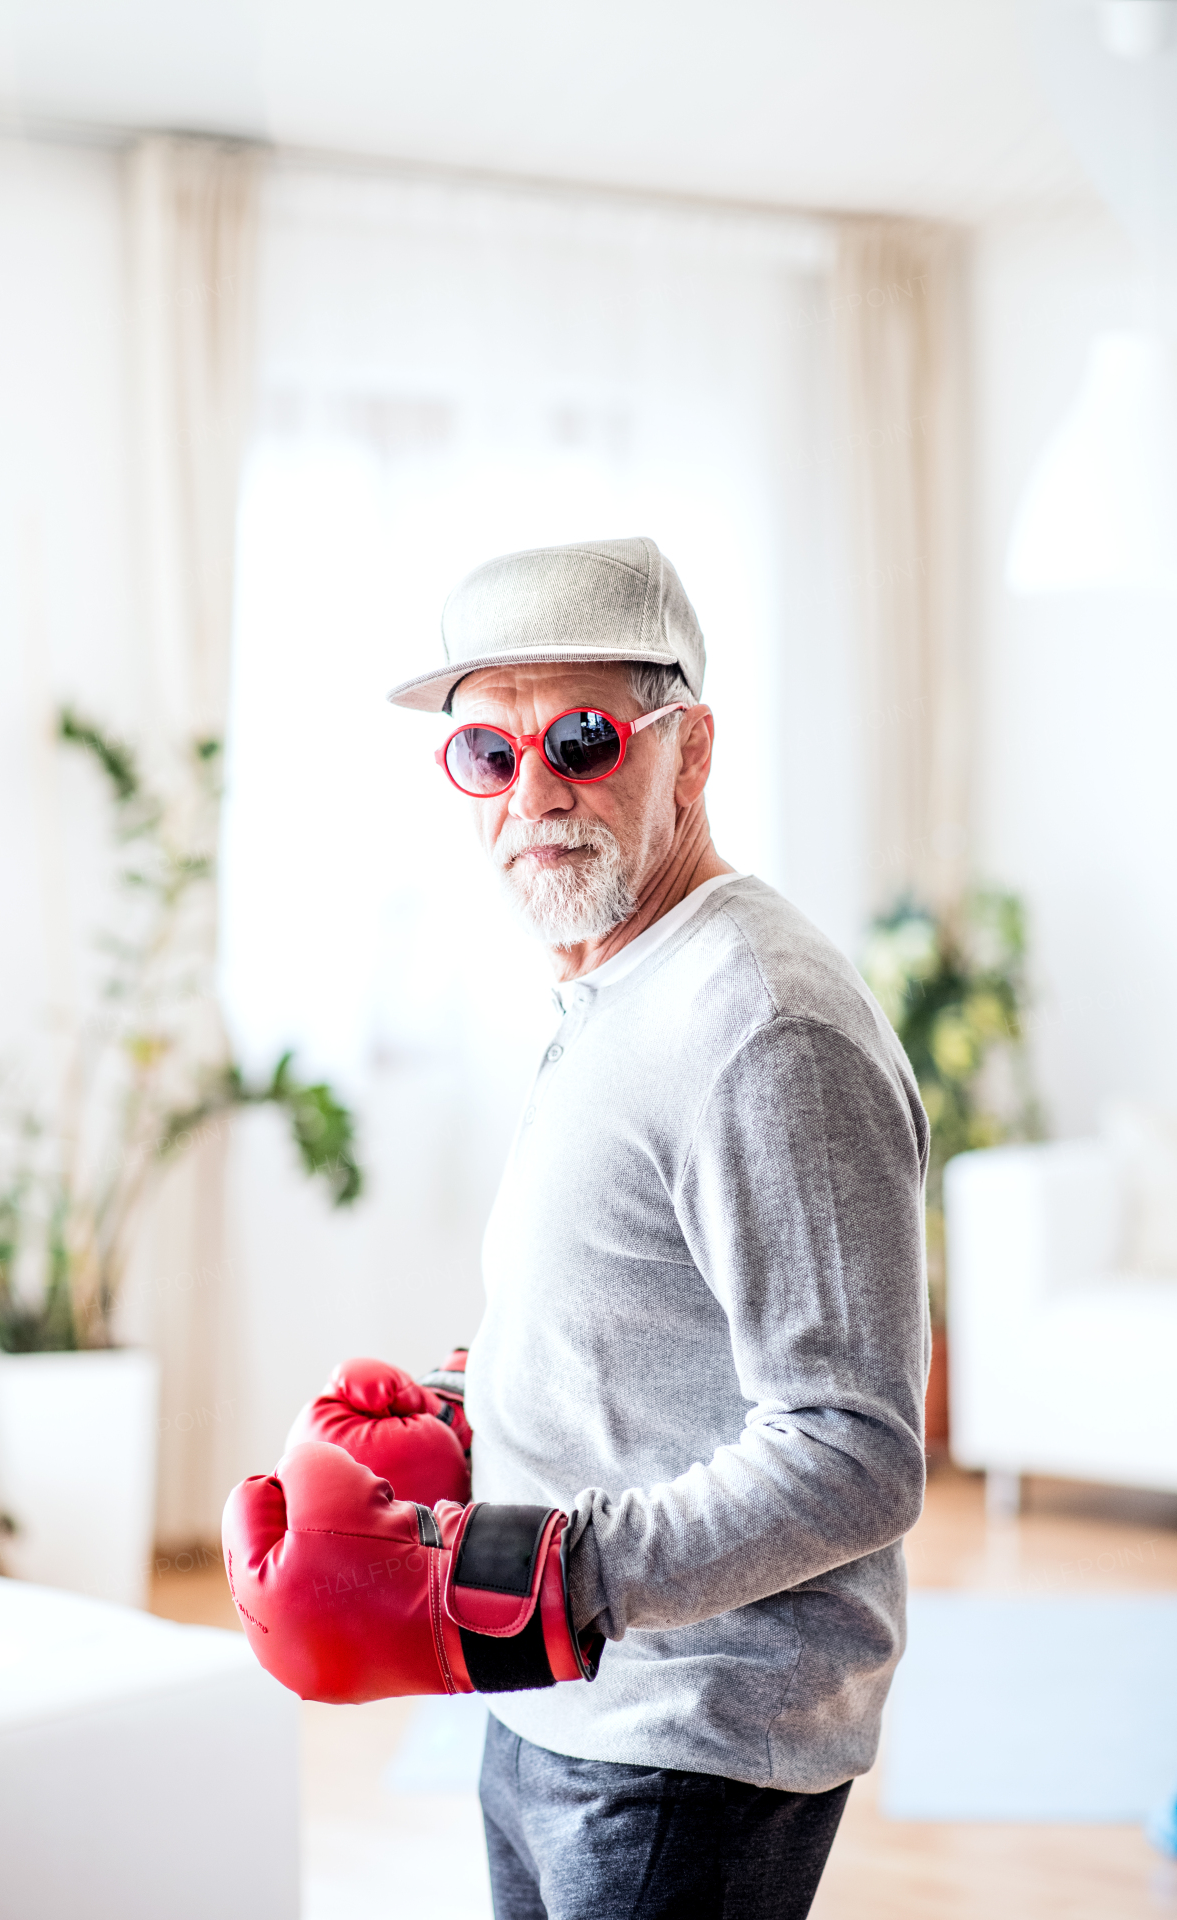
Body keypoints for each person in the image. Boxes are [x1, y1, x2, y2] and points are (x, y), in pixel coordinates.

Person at [224, 536, 929, 1920]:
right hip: (552, 1702)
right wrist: (465, 1406)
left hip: (690, 1743)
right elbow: (646, 1311)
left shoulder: (760, 1022)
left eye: (585, 739)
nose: (533, 792)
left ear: (694, 750)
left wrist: (550, 1570)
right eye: (487, 753)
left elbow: (856, 1450)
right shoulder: (622, 983)